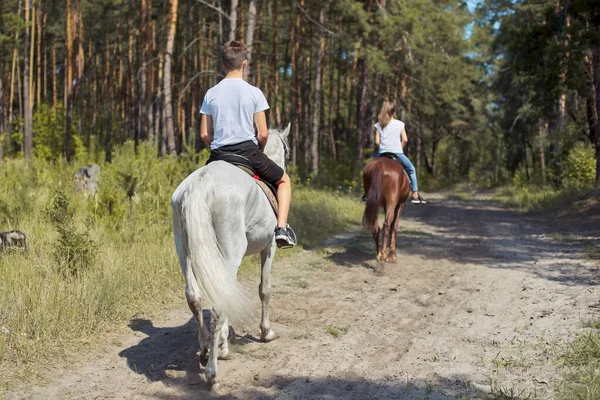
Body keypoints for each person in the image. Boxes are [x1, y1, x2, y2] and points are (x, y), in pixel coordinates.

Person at [199, 40, 296, 248]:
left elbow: (205, 134)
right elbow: (262, 134)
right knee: (284, 181)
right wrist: (259, 152)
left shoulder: (211, 94)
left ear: (222, 64)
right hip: (248, 152)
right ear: (244, 63)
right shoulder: (254, 93)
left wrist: (216, 146)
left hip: (218, 155)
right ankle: (281, 229)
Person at [370, 100, 426, 204]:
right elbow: (405, 139)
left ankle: (367, 193)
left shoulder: (379, 124)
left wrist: (384, 146)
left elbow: (377, 142)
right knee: (411, 169)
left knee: (370, 170)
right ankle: (415, 193)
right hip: (397, 153)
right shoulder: (400, 124)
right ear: (393, 111)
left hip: (382, 153)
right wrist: (398, 148)